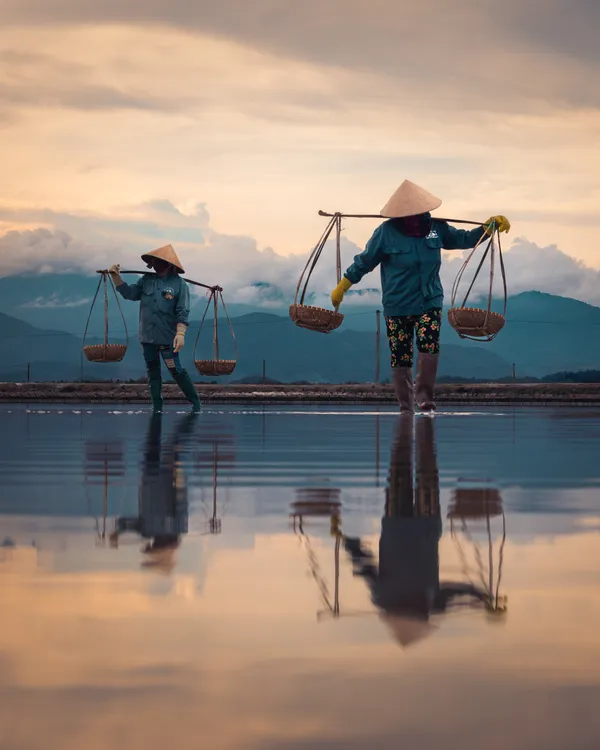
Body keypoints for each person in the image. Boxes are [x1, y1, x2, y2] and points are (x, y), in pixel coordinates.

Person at [330, 180, 511, 413]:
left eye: (418, 213)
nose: (414, 218)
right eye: (409, 214)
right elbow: (364, 262)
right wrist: (344, 285)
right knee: (400, 353)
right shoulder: (386, 232)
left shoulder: (436, 229)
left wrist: (487, 228)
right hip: (397, 304)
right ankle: (405, 404)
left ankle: (424, 398)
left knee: (429, 345)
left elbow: (463, 239)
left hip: (429, 301)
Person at [109, 244, 201, 414]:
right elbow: (130, 294)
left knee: (175, 369)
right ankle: (157, 406)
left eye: (160, 263)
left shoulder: (180, 285)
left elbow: (183, 310)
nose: (157, 266)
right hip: (147, 336)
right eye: (155, 263)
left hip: (168, 336)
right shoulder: (146, 280)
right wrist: (117, 279)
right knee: (152, 370)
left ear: (169, 265)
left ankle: (196, 404)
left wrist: (181, 332)